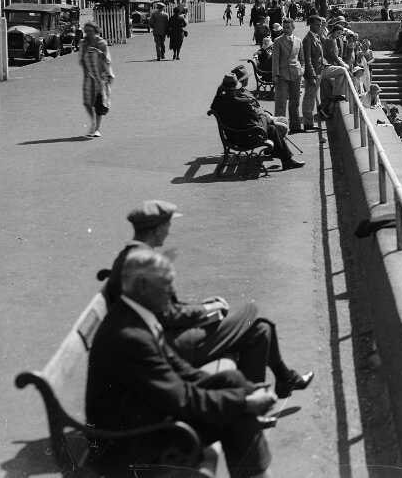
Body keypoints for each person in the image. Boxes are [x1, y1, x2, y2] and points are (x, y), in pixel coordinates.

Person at [88, 249, 276, 478]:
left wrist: (244, 390)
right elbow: (181, 398)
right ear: (143, 286)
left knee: (232, 380)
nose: (171, 292)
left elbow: (180, 370)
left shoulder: (136, 316)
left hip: (144, 420)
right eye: (166, 284)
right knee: (236, 413)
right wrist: (243, 402)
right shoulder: (131, 336)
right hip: (130, 445)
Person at [103, 201, 312, 396]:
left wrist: (204, 307)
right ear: (157, 229)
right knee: (251, 312)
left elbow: (164, 309)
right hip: (172, 345)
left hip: (167, 336)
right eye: (167, 226)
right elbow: (167, 314)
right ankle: (274, 385)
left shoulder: (130, 256)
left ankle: (270, 387)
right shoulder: (142, 263)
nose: (168, 231)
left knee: (261, 330)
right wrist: (206, 310)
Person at [212, 69, 304, 169]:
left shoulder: (218, 101)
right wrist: (267, 118)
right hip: (244, 137)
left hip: (231, 136)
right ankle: (287, 160)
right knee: (271, 128)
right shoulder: (243, 102)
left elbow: (217, 102)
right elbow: (256, 119)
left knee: (271, 127)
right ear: (235, 86)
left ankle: (284, 157)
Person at [78, 21, 114, 138]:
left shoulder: (101, 43)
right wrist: (85, 74)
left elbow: (107, 60)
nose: (87, 33)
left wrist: (99, 54)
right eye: (86, 31)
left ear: (95, 31)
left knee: (98, 103)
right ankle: (93, 122)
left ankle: (97, 128)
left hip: (101, 77)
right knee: (87, 102)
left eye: (90, 31)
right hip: (89, 77)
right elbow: (82, 60)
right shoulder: (83, 43)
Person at [271, 18, 303, 134]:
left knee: (295, 101)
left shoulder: (298, 41)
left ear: (293, 28)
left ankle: (295, 126)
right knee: (281, 102)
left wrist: (302, 70)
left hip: (296, 74)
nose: (285, 29)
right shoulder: (277, 41)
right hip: (282, 75)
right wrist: (275, 75)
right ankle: (280, 128)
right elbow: (275, 60)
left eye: (288, 27)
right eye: (284, 27)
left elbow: (301, 58)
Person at [300, 15, 325, 131]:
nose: (319, 27)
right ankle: (307, 124)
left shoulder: (316, 37)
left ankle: (309, 123)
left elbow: (319, 56)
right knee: (309, 99)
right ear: (311, 25)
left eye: (320, 25)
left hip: (318, 71)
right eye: (317, 25)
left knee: (311, 97)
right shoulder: (308, 39)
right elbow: (307, 59)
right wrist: (312, 75)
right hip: (313, 74)